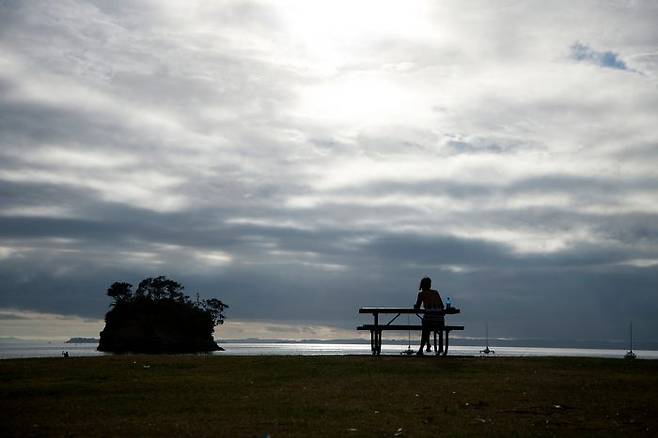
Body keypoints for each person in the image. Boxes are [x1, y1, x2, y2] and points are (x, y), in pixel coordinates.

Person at [414, 277, 444, 356]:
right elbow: (442, 306)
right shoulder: (435, 292)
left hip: (429, 320)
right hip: (440, 320)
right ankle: (438, 349)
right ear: (429, 285)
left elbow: (417, 307)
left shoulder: (421, 294)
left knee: (425, 329)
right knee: (433, 329)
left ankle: (421, 349)